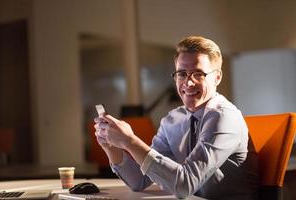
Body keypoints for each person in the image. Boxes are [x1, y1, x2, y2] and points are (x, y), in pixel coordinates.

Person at [94, 35, 260, 199]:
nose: (188, 83)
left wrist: (130, 141)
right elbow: (139, 180)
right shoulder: (173, 120)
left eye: (198, 74)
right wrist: (111, 147)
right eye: (182, 73)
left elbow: (184, 185)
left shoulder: (224, 117)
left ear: (217, 77)